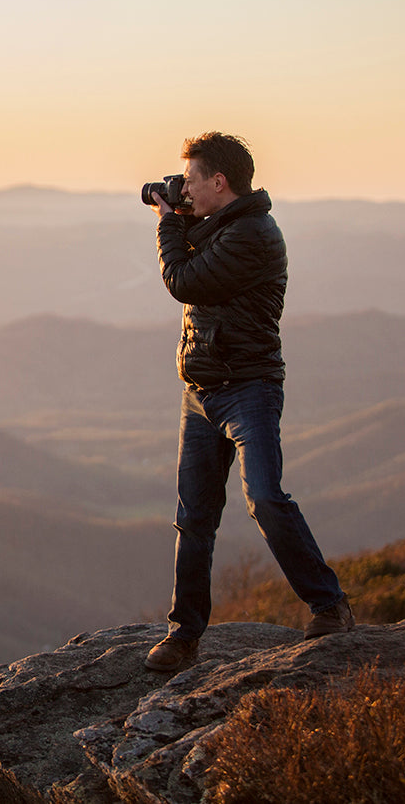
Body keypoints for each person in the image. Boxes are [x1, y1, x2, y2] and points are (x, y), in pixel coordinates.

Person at [143, 131, 353, 673]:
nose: (183, 188)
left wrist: (168, 221)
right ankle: (183, 637)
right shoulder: (223, 225)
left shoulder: (254, 235)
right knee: (194, 517)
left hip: (249, 389)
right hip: (202, 391)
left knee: (265, 497)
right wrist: (184, 216)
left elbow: (183, 280)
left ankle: (330, 606)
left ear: (220, 182)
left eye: (190, 180)